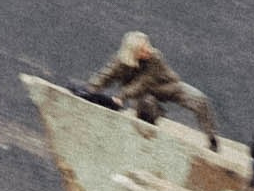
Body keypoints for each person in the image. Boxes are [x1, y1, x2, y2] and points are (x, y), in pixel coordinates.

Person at [83, 28, 220, 143]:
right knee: (147, 104)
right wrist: (91, 89)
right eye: (142, 50)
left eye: (147, 46)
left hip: (166, 86)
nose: (148, 50)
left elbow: (144, 81)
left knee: (199, 99)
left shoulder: (155, 58)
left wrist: (121, 96)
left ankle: (211, 136)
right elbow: (106, 75)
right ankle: (150, 131)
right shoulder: (121, 62)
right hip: (143, 94)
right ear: (133, 53)